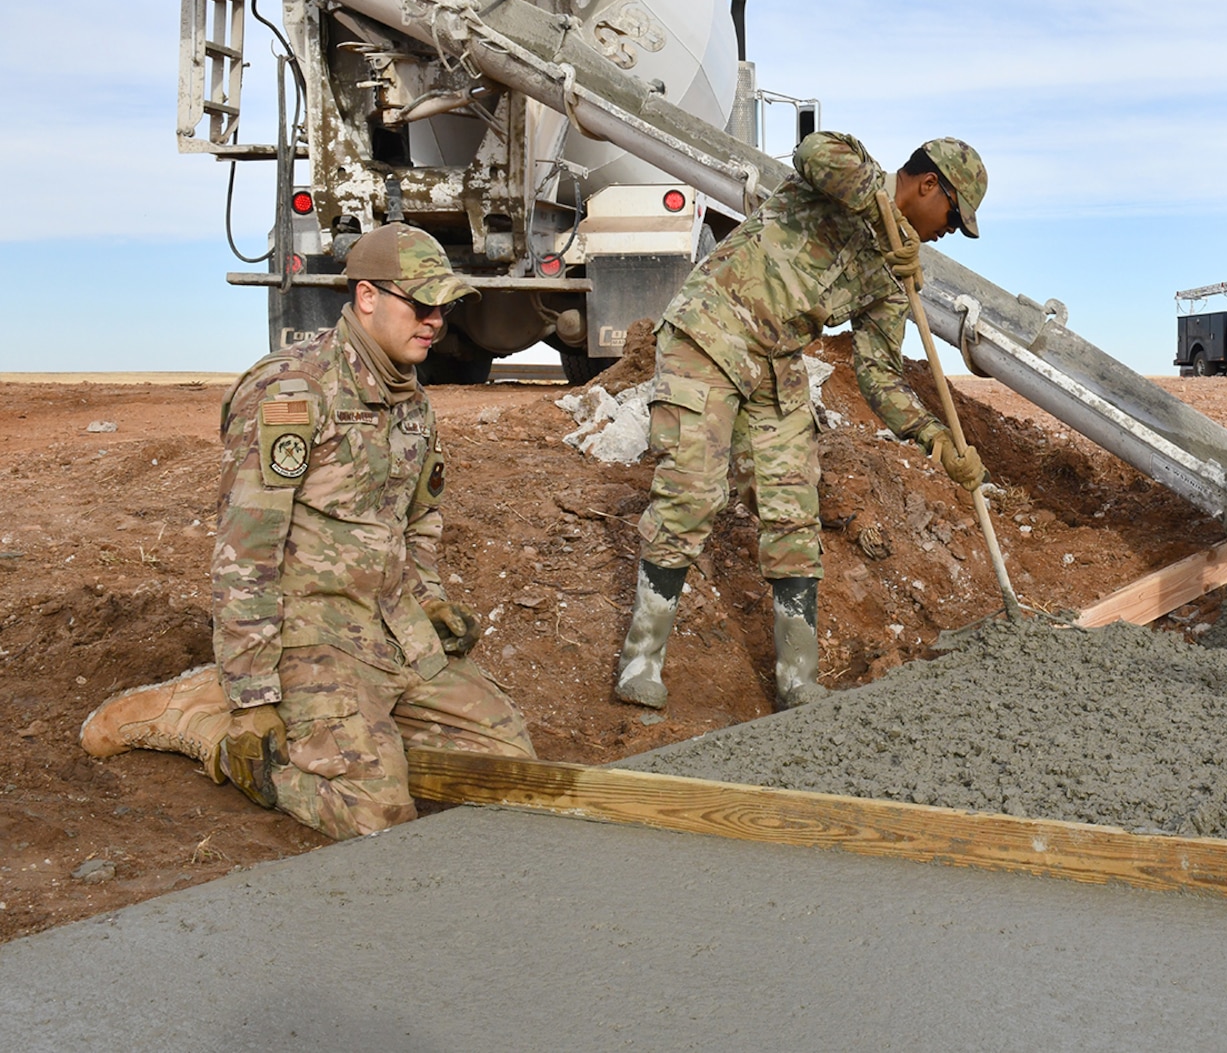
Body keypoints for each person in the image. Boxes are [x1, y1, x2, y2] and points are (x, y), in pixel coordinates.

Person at [79, 224, 535, 839]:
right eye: (421, 303)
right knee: (375, 816)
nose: (435, 320)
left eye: (445, 307)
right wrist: (252, 696)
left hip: (392, 633)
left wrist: (427, 597)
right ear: (368, 296)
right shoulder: (293, 391)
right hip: (310, 638)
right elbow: (245, 554)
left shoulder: (411, 399)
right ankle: (201, 722)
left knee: (512, 771)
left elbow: (416, 519)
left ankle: (359, 735)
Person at [614, 131, 988, 712]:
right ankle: (641, 662)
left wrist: (931, 434)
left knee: (794, 512)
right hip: (711, 332)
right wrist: (879, 211)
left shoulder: (891, 277)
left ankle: (797, 680)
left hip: (775, 365)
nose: (947, 231)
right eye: (952, 216)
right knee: (691, 496)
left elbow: (880, 374)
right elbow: (812, 152)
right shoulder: (850, 172)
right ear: (928, 184)